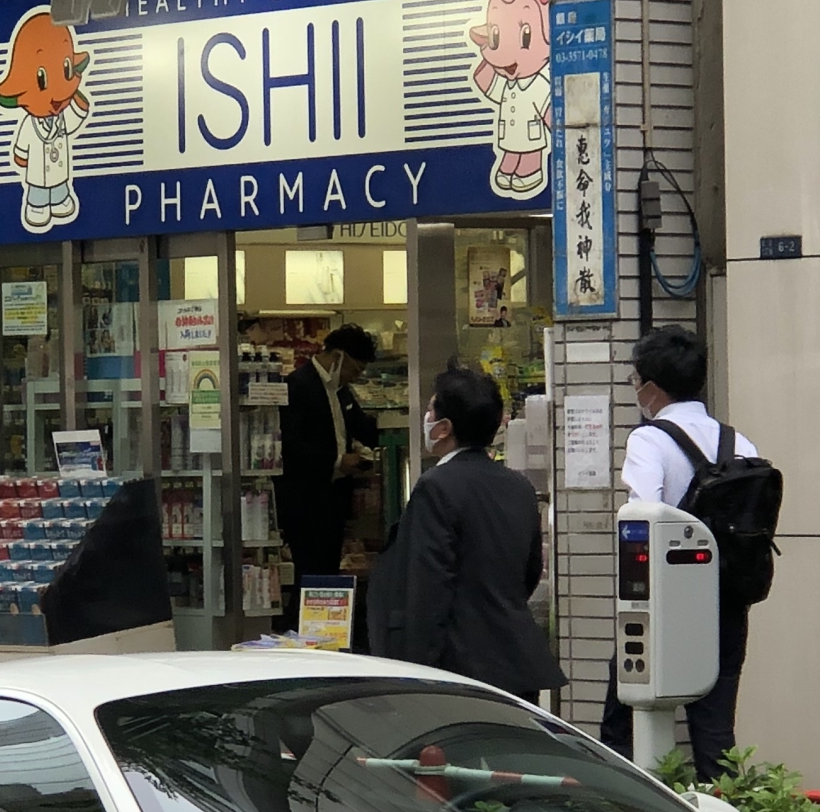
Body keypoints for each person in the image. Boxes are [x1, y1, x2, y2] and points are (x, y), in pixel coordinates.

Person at [610, 327, 762, 775]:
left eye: (635, 381)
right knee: (716, 735)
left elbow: (641, 517)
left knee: (624, 725)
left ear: (651, 388)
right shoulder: (740, 443)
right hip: (728, 603)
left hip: (664, 606)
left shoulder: (649, 439)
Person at [369, 367, 563, 702]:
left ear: (444, 428)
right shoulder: (517, 485)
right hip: (515, 659)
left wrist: (419, 671)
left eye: (431, 411)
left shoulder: (437, 486)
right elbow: (529, 571)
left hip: (458, 663)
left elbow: (427, 586)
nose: (427, 419)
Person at [278, 325, 380, 601]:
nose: (355, 377)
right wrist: (336, 461)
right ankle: (302, 629)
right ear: (337, 357)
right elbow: (291, 445)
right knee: (309, 572)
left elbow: (362, 427)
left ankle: (323, 628)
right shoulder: (298, 386)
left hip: (333, 499)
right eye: (354, 370)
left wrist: (364, 449)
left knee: (327, 570)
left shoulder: (342, 391)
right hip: (305, 498)